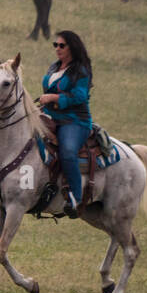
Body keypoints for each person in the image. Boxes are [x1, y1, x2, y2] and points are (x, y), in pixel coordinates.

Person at [39, 30, 93, 218]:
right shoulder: (54, 67)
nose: (58, 49)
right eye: (55, 45)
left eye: (62, 45)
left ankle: (76, 198)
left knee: (68, 151)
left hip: (74, 121)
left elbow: (80, 95)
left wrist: (54, 97)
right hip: (50, 116)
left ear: (72, 47)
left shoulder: (81, 70)